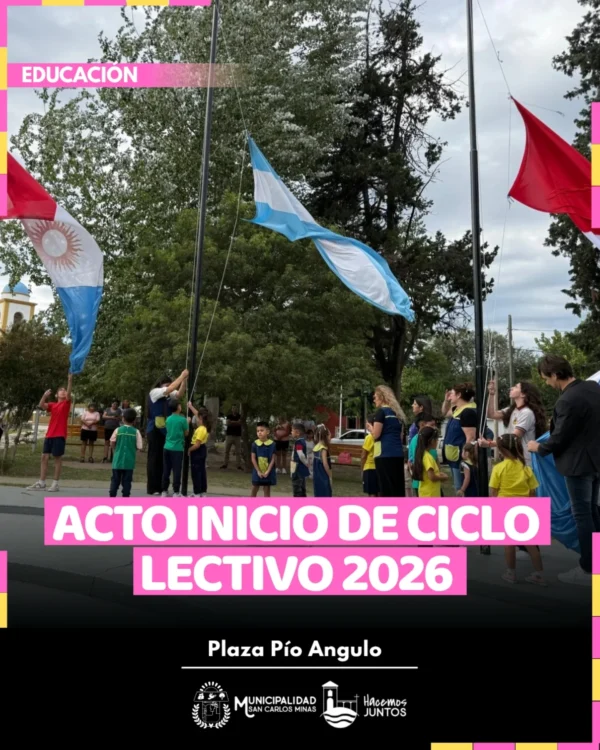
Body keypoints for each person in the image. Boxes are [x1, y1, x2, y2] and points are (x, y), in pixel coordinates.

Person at [528, 354, 600, 586]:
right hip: (596, 461)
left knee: (582, 516)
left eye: (546, 378)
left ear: (555, 374)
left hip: (578, 465)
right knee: (593, 511)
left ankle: (589, 568)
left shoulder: (567, 400)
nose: (547, 383)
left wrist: (538, 447)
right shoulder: (593, 388)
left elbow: (559, 438)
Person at [490, 434, 545, 586]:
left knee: (509, 543)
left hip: (506, 510)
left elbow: (494, 491)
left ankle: (511, 573)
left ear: (501, 450)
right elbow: (532, 492)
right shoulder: (526, 468)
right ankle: (539, 574)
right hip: (524, 510)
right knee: (531, 544)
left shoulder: (498, 468)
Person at [481, 380, 546, 466]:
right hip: (514, 458)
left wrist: (489, 444)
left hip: (524, 461)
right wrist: (491, 394)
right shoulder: (512, 410)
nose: (511, 388)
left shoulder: (526, 413)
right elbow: (491, 414)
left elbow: (513, 438)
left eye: (516, 387)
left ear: (523, 394)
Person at [28, 373, 73, 492]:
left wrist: (69, 381)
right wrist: (44, 396)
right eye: (61, 390)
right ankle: (41, 482)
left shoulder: (66, 403)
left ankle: (55, 484)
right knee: (44, 457)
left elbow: (69, 394)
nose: (63, 391)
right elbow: (41, 405)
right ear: (57, 394)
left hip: (60, 435)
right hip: (50, 435)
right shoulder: (53, 405)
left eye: (64, 390)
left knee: (57, 458)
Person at [146, 370, 188, 496]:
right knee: (154, 458)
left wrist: (184, 380)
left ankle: (163, 487)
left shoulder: (169, 395)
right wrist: (181, 376)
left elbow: (179, 393)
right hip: (154, 429)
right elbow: (170, 389)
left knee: (164, 460)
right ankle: (153, 487)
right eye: (167, 384)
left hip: (166, 429)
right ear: (161, 385)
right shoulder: (155, 392)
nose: (170, 386)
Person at [442, 383, 478, 492]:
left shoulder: (468, 412)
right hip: (454, 456)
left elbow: (471, 436)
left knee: (462, 488)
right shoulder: (457, 409)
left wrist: (465, 456)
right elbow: (444, 413)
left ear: (459, 395)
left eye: (452, 394)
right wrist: (446, 401)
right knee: (458, 486)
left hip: (461, 458)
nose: (450, 396)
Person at [371, 385, 405, 497]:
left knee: (386, 488)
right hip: (398, 453)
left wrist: (370, 428)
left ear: (381, 397)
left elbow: (376, 435)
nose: (374, 399)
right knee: (398, 488)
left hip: (384, 453)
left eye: (375, 397)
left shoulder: (381, 412)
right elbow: (400, 436)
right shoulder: (397, 414)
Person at [109, 408, 143, 498]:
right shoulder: (136, 432)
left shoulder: (118, 430)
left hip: (117, 460)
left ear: (123, 418)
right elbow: (139, 447)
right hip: (129, 461)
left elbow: (112, 442)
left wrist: (115, 449)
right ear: (134, 420)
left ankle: (112, 496)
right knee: (127, 481)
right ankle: (125, 497)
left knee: (115, 480)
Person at [161, 400, 189, 498]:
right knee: (177, 470)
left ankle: (164, 490)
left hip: (167, 447)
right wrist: (187, 423)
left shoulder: (168, 419)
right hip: (177, 448)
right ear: (178, 407)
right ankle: (176, 491)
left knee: (166, 469)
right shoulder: (183, 420)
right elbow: (186, 433)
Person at [412, 427, 447, 497]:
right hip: (430, 494)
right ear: (432, 441)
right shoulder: (427, 457)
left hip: (426, 493)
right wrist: (443, 477)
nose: (437, 441)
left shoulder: (423, 454)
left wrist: (438, 474)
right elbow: (432, 477)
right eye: (437, 439)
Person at [408, 414, 437, 497]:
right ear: (422, 425)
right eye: (432, 425)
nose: (434, 428)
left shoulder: (419, 440)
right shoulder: (421, 441)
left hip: (428, 483)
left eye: (435, 425)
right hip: (425, 483)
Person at [188, 404, 212, 498]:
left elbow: (197, 445)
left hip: (197, 451)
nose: (196, 419)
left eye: (197, 417)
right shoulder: (205, 427)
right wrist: (190, 406)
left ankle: (197, 492)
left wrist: (189, 449)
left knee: (196, 472)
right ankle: (202, 491)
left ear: (201, 418)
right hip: (202, 450)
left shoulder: (201, 429)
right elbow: (197, 413)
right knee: (201, 471)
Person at [251, 421, 277, 497]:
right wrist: (258, 471)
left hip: (268, 471)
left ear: (267, 432)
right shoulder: (254, 444)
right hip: (257, 470)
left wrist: (268, 471)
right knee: (254, 487)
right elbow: (253, 458)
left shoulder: (272, 444)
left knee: (266, 489)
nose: (259, 432)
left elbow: (273, 459)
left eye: (262, 430)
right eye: (258, 431)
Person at [290, 422, 310, 497]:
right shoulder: (303, 441)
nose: (291, 432)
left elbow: (300, 454)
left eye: (292, 430)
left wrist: (306, 462)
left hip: (297, 466)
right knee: (302, 484)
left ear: (297, 432)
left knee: (297, 486)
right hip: (300, 467)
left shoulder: (298, 442)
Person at [221, 405, 243, 471]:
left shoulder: (240, 416)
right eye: (233, 408)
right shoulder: (229, 416)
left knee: (238, 452)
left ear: (237, 409)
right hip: (229, 435)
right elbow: (228, 423)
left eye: (235, 408)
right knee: (226, 451)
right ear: (232, 409)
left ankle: (238, 465)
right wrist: (236, 422)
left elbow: (240, 423)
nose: (234, 409)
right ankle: (225, 464)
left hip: (237, 436)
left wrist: (232, 422)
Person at [312, 424, 333, 497]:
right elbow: (325, 464)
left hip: (316, 477)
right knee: (326, 494)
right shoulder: (323, 449)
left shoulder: (316, 447)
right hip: (323, 476)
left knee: (318, 494)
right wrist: (330, 475)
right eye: (329, 435)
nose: (330, 437)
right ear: (325, 436)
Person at [361, 416, 379, 497]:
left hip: (369, 468)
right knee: (378, 492)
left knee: (371, 493)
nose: (365, 424)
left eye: (366, 422)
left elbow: (363, 455)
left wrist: (362, 469)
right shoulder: (380, 436)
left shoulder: (369, 437)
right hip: (378, 467)